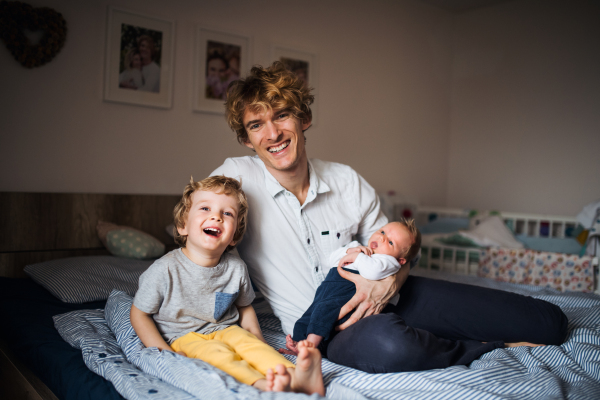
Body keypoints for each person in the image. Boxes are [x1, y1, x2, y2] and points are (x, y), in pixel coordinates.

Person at [211, 61, 568, 373]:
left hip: (399, 294)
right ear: (246, 139)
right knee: (392, 346)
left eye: (282, 115)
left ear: (304, 118)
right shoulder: (236, 180)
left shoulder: (346, 180)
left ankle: (482, 329)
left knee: (549, 323)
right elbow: (197, 235)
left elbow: (402, 253)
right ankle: (486, 347)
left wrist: (388, 284)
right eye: (256, 125)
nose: (272, 134)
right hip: (333, 327)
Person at [130, 176, 325, 394]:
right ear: (183, 225)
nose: (216, 216)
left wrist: (258, 340)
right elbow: (139, 314)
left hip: (226, 328)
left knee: (248, 345)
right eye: (205, 208)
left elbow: (245, 307)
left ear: (234, 236)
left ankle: (295, 375)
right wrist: (165, 352)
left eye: (227, 213)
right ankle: (264, 385)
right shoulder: (164, 270)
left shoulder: (236, 267)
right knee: (218, 355)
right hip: (185, 336)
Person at [282, 220, 421, 354]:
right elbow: (333, 260)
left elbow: (372, 271)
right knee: (307, 318)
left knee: (323, 312)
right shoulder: (357, 246)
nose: (382, 238)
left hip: (347, 291)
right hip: (328, 288)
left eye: (390, 242)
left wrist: (356, 257)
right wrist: (350, 250)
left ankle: (310, 347)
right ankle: (298, 343)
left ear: (400, 260)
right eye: (382, 232)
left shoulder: (389, 262)